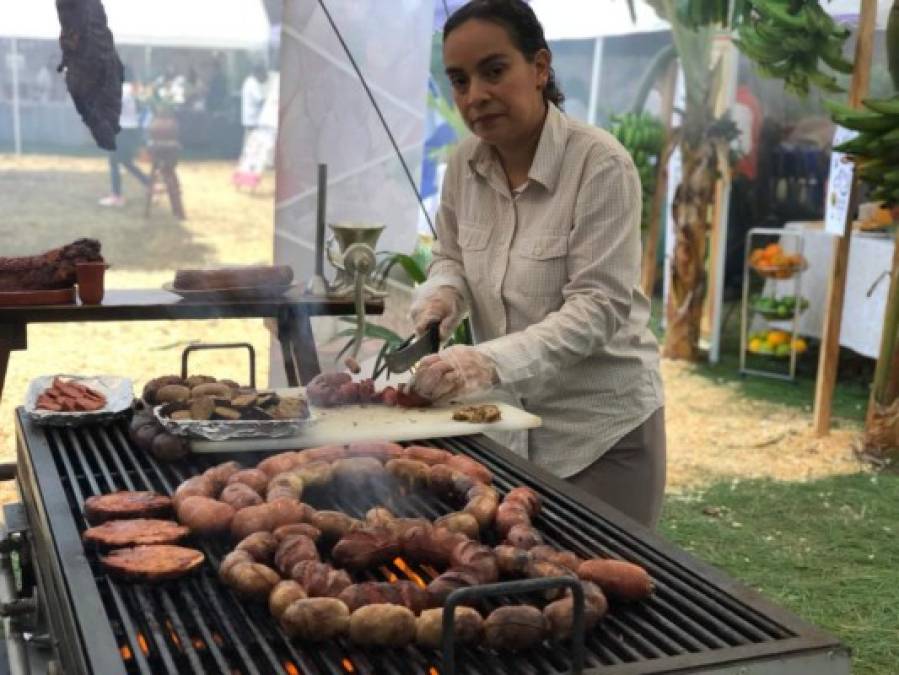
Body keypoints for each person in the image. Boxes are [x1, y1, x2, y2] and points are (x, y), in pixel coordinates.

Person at [409, 0, 666, 528]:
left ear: (540, 68)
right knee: (519, 596)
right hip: (501, 426)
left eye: (494, 71)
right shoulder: (463, 164)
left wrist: (486, 362)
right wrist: (443, 294)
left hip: (598, 435)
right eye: (459, 81)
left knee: (597, 598)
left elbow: (598, 307)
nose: (475, 95)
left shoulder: (601, 165)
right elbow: (450, 257)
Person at [99, 66, 149, 207]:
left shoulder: (121, 89)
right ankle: (149, 183)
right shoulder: (132, 89)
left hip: (121, 130)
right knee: (126, 162)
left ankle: (117, 196)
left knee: (114, 162)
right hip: (131, 130)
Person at [240, 64, 269, 142]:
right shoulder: (253, 83)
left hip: (250, 119)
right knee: (252, 143)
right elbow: (260, 100)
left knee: (249, 142)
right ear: (258, 73)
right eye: (264, 74)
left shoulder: (248, 81)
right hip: (253, 120)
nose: (265, 77)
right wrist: (271, 102)